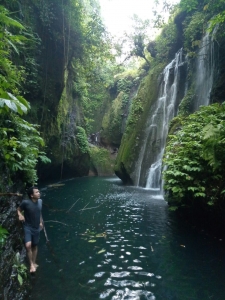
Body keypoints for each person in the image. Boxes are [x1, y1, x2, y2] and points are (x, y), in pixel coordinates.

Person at [17, 186, 43, 273]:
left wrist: (40, 222)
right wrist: (20, 215)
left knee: (34, 246)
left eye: (39, 191)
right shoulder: (25, 203)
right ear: (32, 195)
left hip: (36, 227)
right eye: (37, 192)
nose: (39, 193)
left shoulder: (40, 201)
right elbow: (18, 210)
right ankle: (31, 264)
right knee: (28, 245)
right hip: (28, 226)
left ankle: (34, 262)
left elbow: (39, 212)